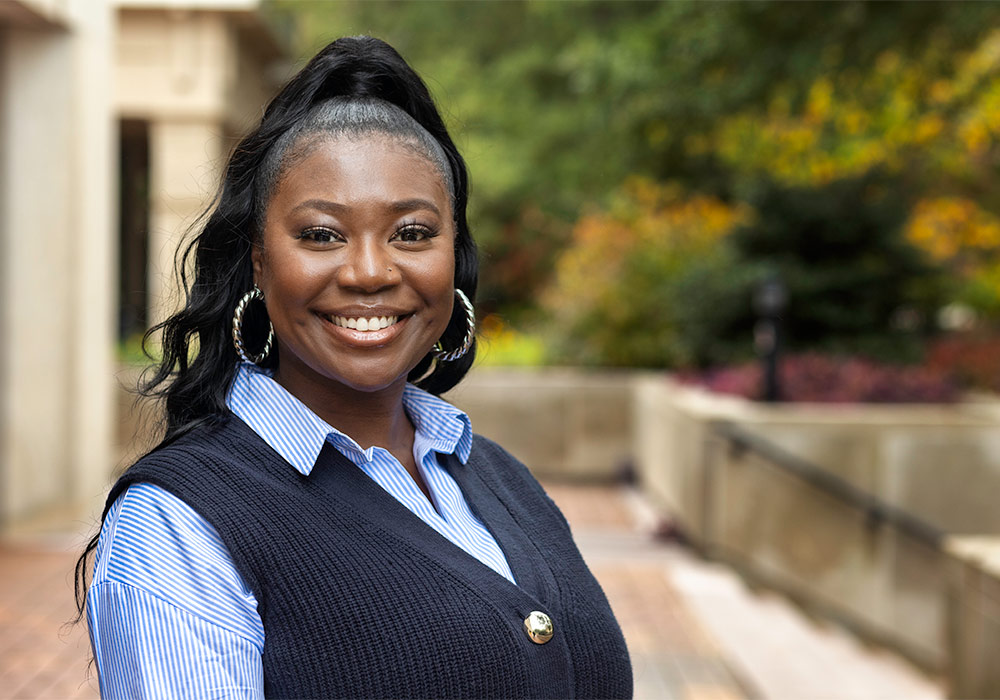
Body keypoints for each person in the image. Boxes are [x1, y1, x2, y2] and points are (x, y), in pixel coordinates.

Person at [76, 36, 632, 699]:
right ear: (259, 260)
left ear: (454, 251)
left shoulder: (499, 478)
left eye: (412, 233)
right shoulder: (179, 524)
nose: (370, 271)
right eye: (321, 235)